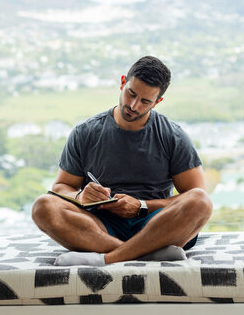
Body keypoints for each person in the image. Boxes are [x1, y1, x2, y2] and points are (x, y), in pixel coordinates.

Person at [32, 55, 213, 266]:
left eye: (145, 101)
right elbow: (61, 187)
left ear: (158, 102)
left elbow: (194, 195)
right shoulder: (85, 132)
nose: (134, 105)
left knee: (201, 202)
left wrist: (142, 206)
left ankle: (107, 258)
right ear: (122, 83)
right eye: (131, 93)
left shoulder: (173, 136)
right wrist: (81, 196)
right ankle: (146, 253)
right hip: (98, 225)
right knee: (43, 206)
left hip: (155, 224)